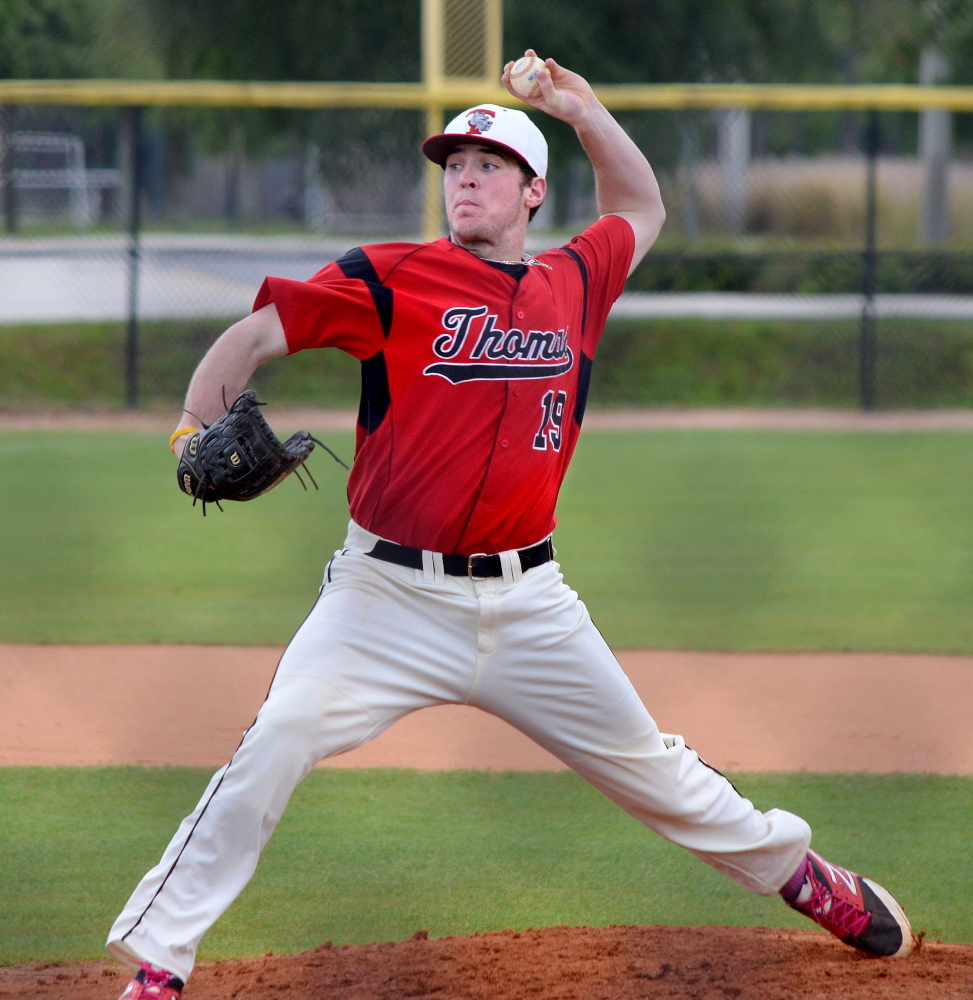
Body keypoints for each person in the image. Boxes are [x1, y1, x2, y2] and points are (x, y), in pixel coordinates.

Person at [109, 52, 914, 1000]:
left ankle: (804, 877)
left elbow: (643, 206)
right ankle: (160, 961)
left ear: (533, 191)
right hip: (384, 596)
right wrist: (188, 432)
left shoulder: (576, 280)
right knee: (275, 738)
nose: (464, 179)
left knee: (652, 770)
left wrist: (582, 109)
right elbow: (249, 340)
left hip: (531, 601)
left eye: (487, 166)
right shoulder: (389, 276)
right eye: (453, 166)